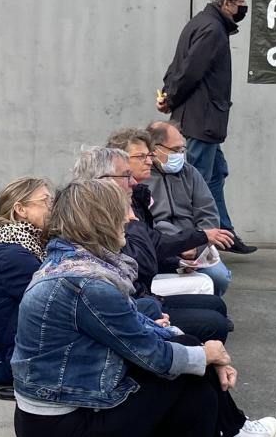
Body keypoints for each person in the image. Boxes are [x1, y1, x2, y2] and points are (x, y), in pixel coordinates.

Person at [10, 178, 276, 437]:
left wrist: (203, 353)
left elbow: (138, 328)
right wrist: (209, 357)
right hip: (64, 435)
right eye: (124, 214)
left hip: (52, 420)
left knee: (189, 358)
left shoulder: (72, 265)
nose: (132, 218)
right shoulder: (86, 284)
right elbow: (153, 355)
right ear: (100, 220)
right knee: (192, 380)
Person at [100, 131, 233, 344]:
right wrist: (188, 244)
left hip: (170, 261)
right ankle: (201, 354)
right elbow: (146, 252)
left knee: (216, 299)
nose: (149, 161)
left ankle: (205, 354)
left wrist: (184, 258)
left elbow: (208, 212)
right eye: (142, 157)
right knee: (212, 299)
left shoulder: (185, 175)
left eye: (149, 155)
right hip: (141, 290)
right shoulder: (111, 202)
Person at [158, 0, 255, 254]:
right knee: (194, 181)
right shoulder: (212, 29)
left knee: (216, 174)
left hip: (202, 119)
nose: (244, 7)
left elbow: (178, 64)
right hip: (202, 121)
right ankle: (192, 242)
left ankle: (226, 233)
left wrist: (167, 93)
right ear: (227, 3)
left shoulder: (200, 22)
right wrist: (172, 96)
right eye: (241, 2)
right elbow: (190, 69)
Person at [0, 177, 51, 398]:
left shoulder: (29, 245)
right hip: (17, 361)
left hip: (26, 351)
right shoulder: (13, 256)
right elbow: (56, 304)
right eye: (45, 201)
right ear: (20, 209)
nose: (52, 207)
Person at [145, 119, 234, 296]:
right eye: (176, 149)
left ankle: (212, 310)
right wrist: (176, 249)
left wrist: (197, 247)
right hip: (158, 247)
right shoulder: (141, 176)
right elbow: (142, 227)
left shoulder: (190, 173)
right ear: (155, 150)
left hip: (196, 245)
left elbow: (208, 214)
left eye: (182, 149)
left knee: (219, 277)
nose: (181, 155)